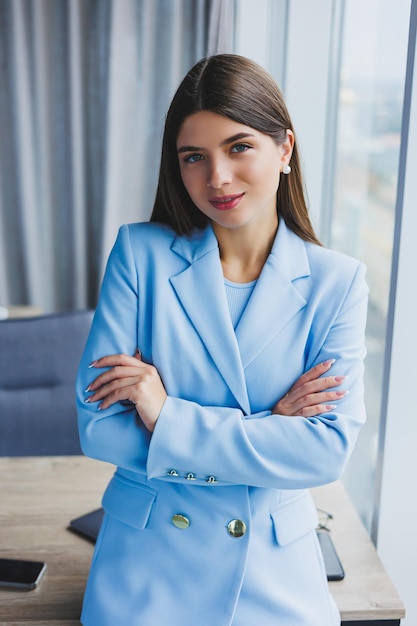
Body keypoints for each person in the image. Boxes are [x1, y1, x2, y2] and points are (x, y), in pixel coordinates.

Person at [76, 54, 368, 626]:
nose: (217, 178)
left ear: (284, 149)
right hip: (145, 571)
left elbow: (324, 450)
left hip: (274, 573)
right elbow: (99, 426)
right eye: (194, 157)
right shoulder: (139, 256)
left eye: (239, 147)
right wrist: (269, 429)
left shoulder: (338, 282)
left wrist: (166, 417)